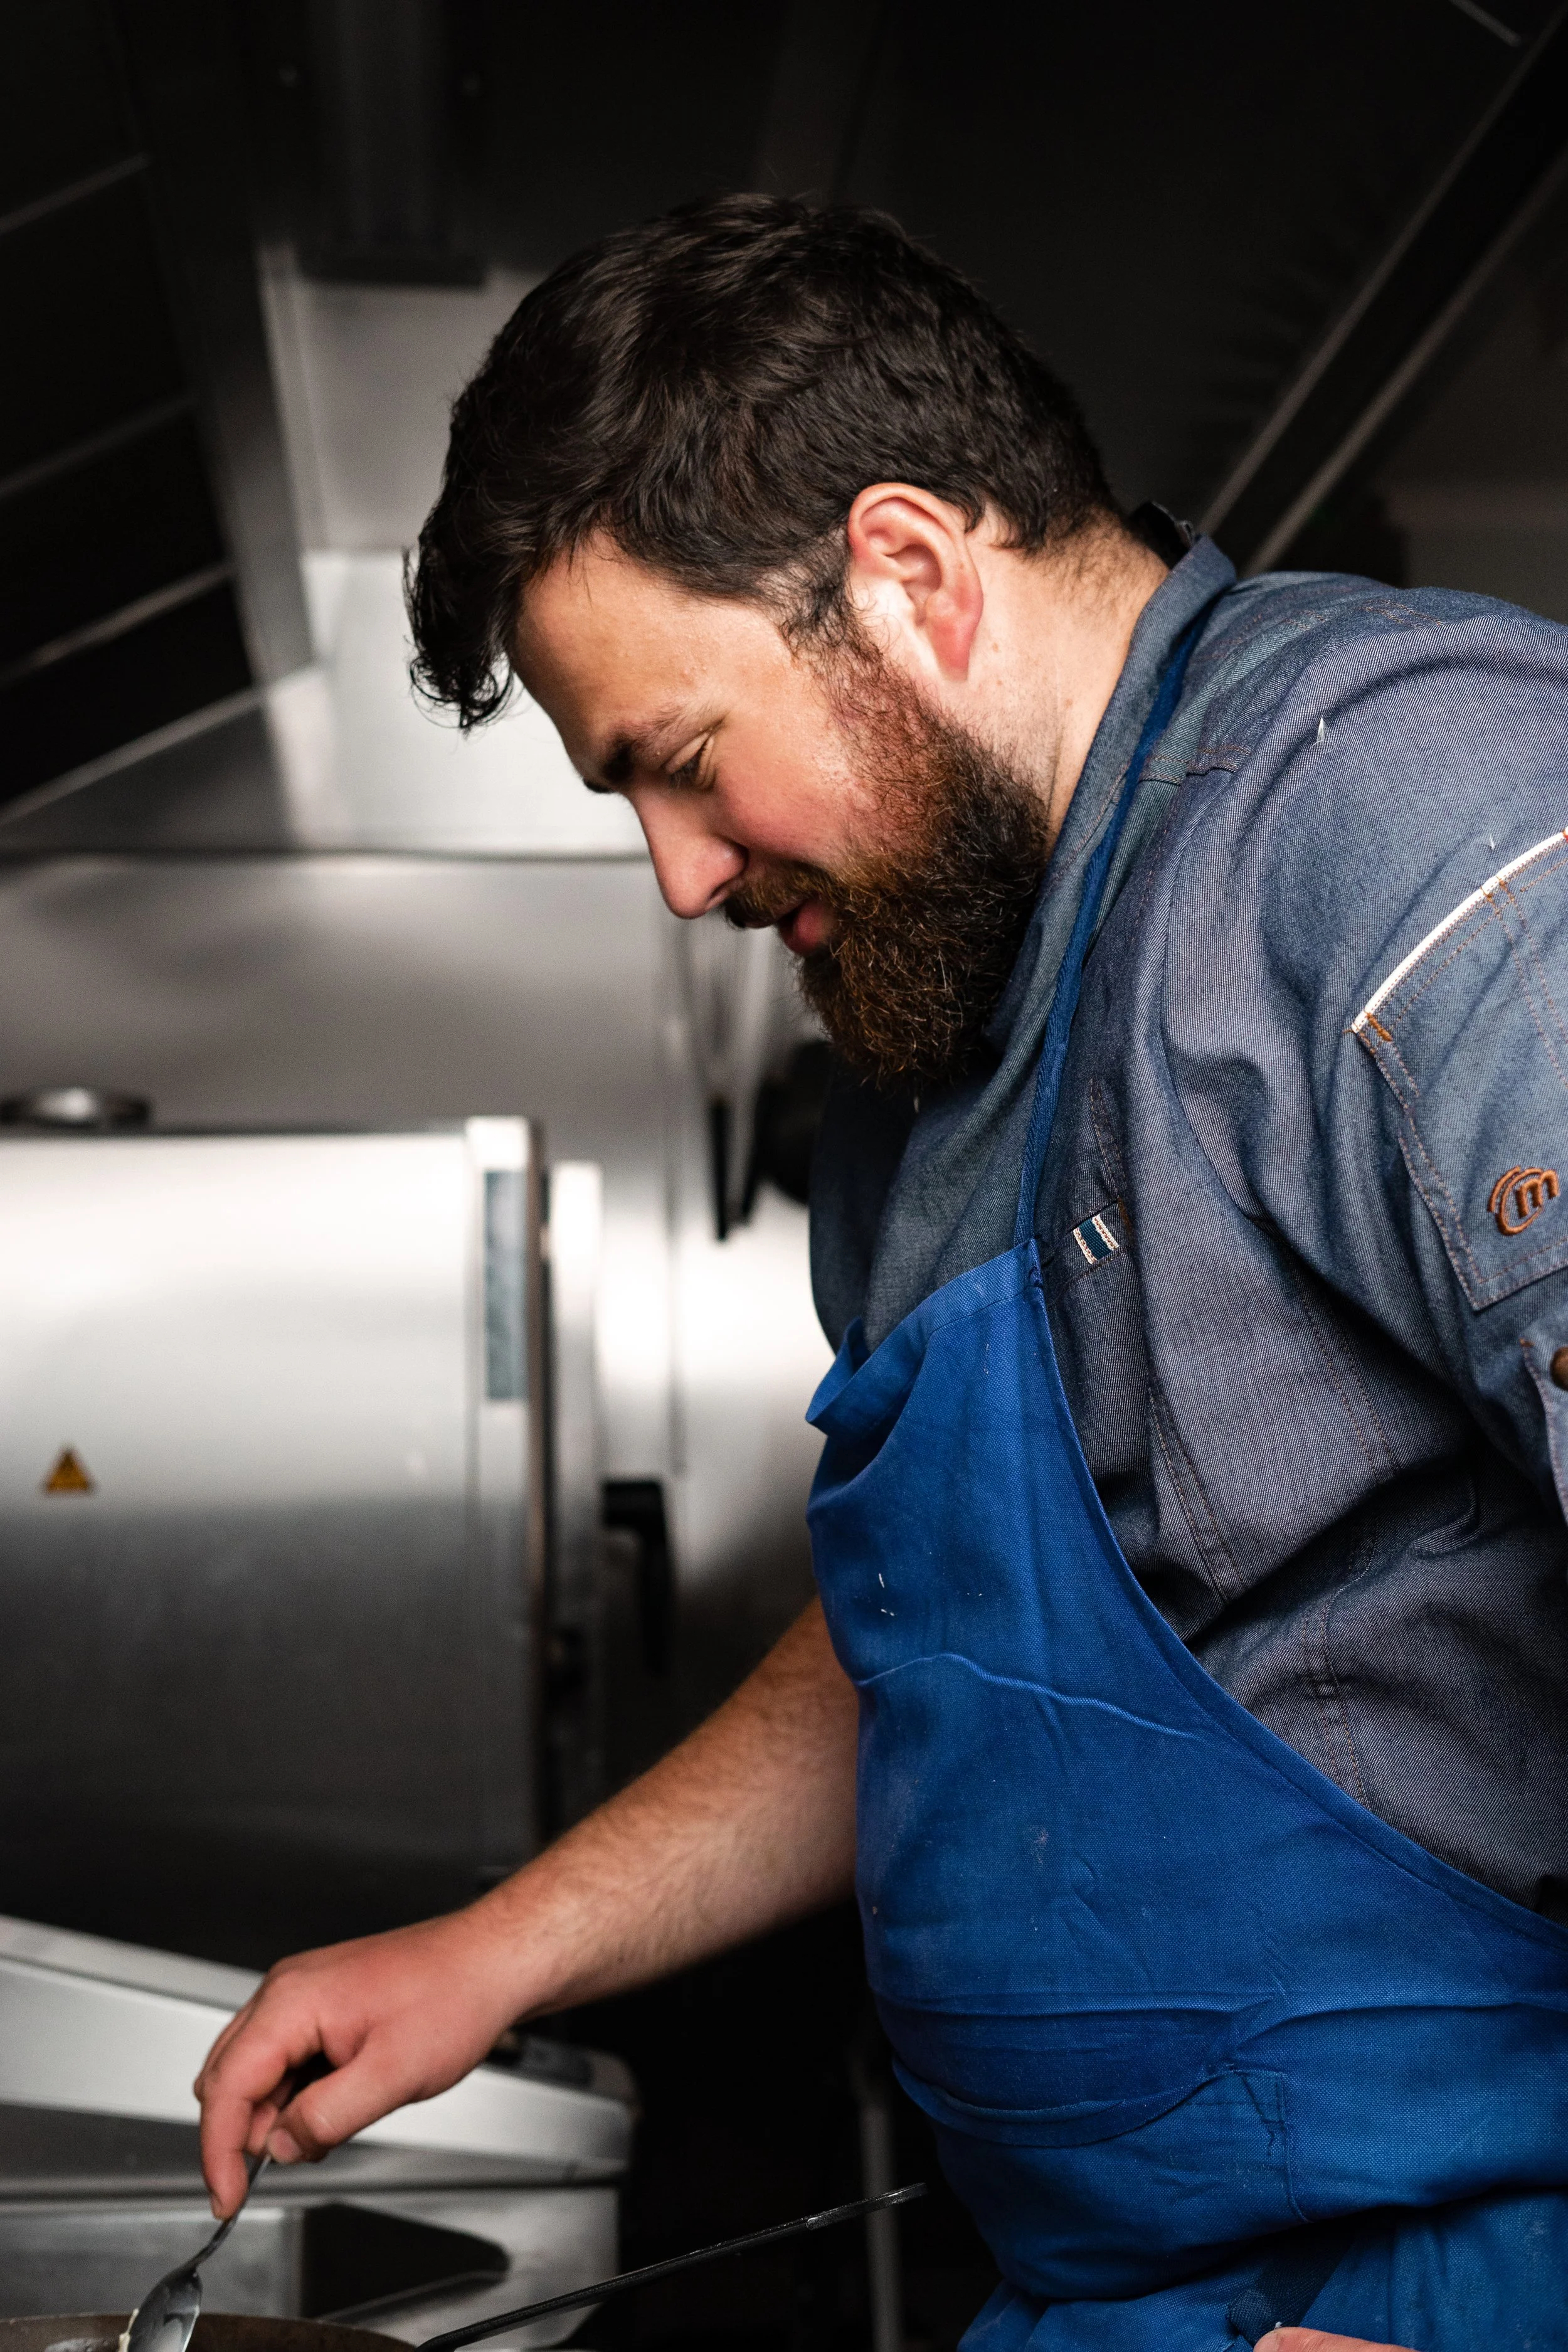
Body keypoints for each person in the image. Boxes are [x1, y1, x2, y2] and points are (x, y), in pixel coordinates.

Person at [194, 197, 1568, 2352]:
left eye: (676, 756)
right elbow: (933, 1644)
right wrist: (503, 1948)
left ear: (910, 571)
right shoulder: (922, 1064)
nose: (676, 874)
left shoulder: (1414, 818)